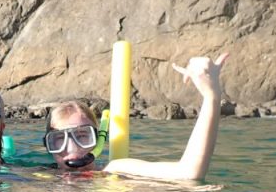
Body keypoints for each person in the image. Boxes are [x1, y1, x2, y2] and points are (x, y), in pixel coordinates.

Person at [44, 53, 229, 181]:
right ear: (49, 148)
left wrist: (211, 96)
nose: (73, 149)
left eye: (83, 136)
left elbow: (188, 173)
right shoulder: (38, 178)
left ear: (99, 139)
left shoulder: (116, 171)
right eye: (59, 140)